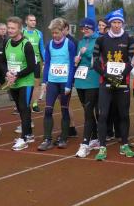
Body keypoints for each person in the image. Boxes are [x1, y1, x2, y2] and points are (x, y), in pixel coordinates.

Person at [93, 8, 134, 160]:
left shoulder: (129, 39)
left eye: (119, 22)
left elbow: (131, 61)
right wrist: (106, 75)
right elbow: (95, 62)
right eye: (114, 23)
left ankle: (124, 144)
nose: (117, 25)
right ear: (110, 24)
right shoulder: (101, 40)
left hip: (122, 83)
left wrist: (120, 76)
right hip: (105, 82)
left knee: (123, 114)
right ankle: (102, 147)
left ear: (122, 23)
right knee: (103, 114)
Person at [38, 18, 77, 150]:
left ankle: (64, 138)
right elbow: (47, 63)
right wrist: (44, 81)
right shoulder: (49, 44)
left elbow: (72, 65)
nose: (54, 35)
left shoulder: (69, 44)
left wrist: (69, 84)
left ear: (62, 31)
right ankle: (47, 139)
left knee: (64, 109)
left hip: (64, 82)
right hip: (52, 81)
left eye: (57, 33)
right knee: (48, 109)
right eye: (53, 33)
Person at [2, 16, 37, 150]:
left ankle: (23, 138)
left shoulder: (26, 45)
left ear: (20, 29)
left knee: (23, 107)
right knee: (20, 108)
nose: (10, 30)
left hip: (25, 82)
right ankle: (29, 134)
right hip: (13, 82)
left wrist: (17, 75)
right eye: (9, 28)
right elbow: (2, 61)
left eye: (13, 28)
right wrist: (7, 73)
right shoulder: (7, 42)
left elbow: (32, 66)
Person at [74, 16, 101, 158]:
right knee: (86, 110)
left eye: (87, 28)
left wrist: (88, 52)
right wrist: (76, 60)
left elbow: (99, 59)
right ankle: (95, 137)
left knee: (89, 111)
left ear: (93, 28)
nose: (85, 30)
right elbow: (79, 59)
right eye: (83, 28)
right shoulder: (81, 41)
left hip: (92, 79)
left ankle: (85, 143)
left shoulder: (99, 40)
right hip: (80, 79)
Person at [23, 14, 46, 113]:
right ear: (26, 21)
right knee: (24, 84)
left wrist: (45, 61)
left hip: (36, 62)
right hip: (24, 63)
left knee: (36, 84)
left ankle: (35, 104)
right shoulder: (22, 32)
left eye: (34, 20)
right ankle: (24, 104)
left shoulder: (39, 33)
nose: (33, 22)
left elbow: (42, 48)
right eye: (31, 20)